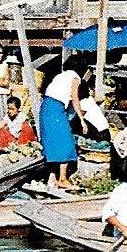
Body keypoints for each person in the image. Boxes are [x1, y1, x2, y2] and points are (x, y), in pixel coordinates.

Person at [40, 58, 89, 189]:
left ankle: (52, 177)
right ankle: (62, 178)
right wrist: (82, 121)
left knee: (51, 141)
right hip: (55, 108)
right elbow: (75, 98)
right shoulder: (75, 77)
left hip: (45, 106)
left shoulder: (60, 76)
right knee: (66, 141)